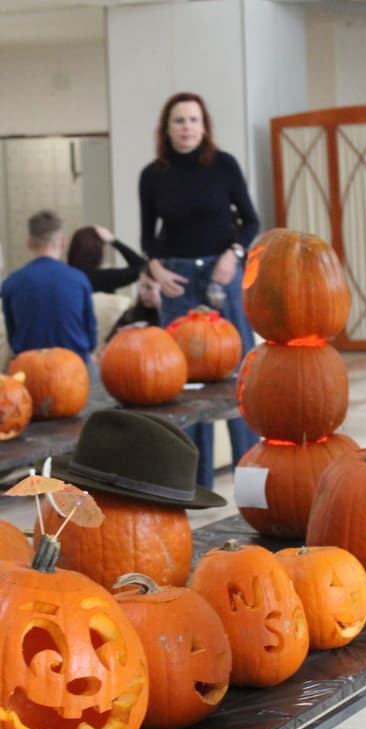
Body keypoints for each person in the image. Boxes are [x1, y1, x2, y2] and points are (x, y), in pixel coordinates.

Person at [139, 91, 260, 488]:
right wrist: (155, 269)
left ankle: (252, 485)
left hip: (221, 276)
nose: (186, 127)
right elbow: (148, 238)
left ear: (204, 126)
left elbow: (251, 221)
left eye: (193, 120)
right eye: (179, 121)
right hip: (177, 282)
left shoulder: (224, 166)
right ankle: (193, 487)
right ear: (167, 128)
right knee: (185, 388)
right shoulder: (152, 175)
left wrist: (234, 254)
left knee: (239, 377)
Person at [1, 209, 96, 366]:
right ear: (63, 242)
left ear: (29, 243)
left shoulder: (11, 283)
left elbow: (13, 339)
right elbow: (91, 339)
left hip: (30, 368)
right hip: (75, 367)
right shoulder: (80, 280)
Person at [66, 224, 147, 293]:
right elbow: (144, 267)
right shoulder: (101, 278)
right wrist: (113, 241)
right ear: (96, 252)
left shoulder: (66, 275)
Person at [106, 266, 161, 341]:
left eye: (149, 287)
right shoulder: (130, 315)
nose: (142, 293)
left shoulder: (174, 319)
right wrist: (123, 336)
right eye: (141, 286)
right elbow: (107, 347)